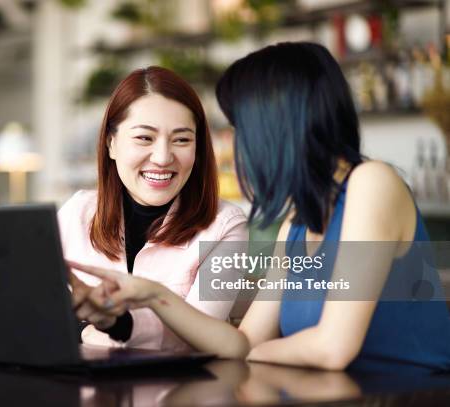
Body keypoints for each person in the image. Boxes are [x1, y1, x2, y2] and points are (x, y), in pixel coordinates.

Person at [69, 42, 450, 371]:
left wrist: (251, 352)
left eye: (241, 127)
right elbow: (243, 341)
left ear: (274, 125)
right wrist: (152, 294)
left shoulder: (372, 183)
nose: (238, 144)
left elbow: (332, 348)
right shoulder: (298, 224)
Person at [60, 66, 248, 350]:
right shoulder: (77, 212)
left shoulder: (226, 226)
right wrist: (85, 330)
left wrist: (113, 326)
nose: (162, 157)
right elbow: (33, 305)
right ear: (111, 143)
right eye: (144, 138)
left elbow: (200, 337)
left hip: (177, 392)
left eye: (182, 139)